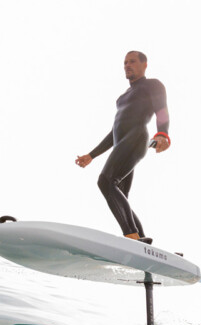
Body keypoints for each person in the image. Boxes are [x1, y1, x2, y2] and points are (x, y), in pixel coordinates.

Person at [75, 51, 171, 243]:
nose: (127, 65)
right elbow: (114, 132)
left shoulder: (152, 85)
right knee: (120, 194)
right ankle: (142, 242)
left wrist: (162, 133)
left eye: (132, 61)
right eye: (125, 62)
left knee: (106, 181)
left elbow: (161, 109)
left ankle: (131, 236)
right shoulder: (122, 97)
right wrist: (92, 155)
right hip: (122, 142)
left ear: (144, 65)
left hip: (136, 138)